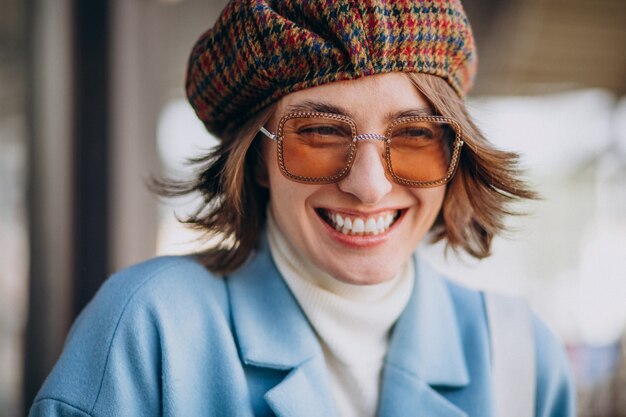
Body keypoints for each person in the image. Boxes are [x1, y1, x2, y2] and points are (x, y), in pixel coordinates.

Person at [29, 0, 575, 416]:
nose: (369, 186)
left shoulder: (520, 357)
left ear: (454, 155)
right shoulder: (151, 330)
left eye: (413, 136)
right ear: (258, 159)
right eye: (317, 133)